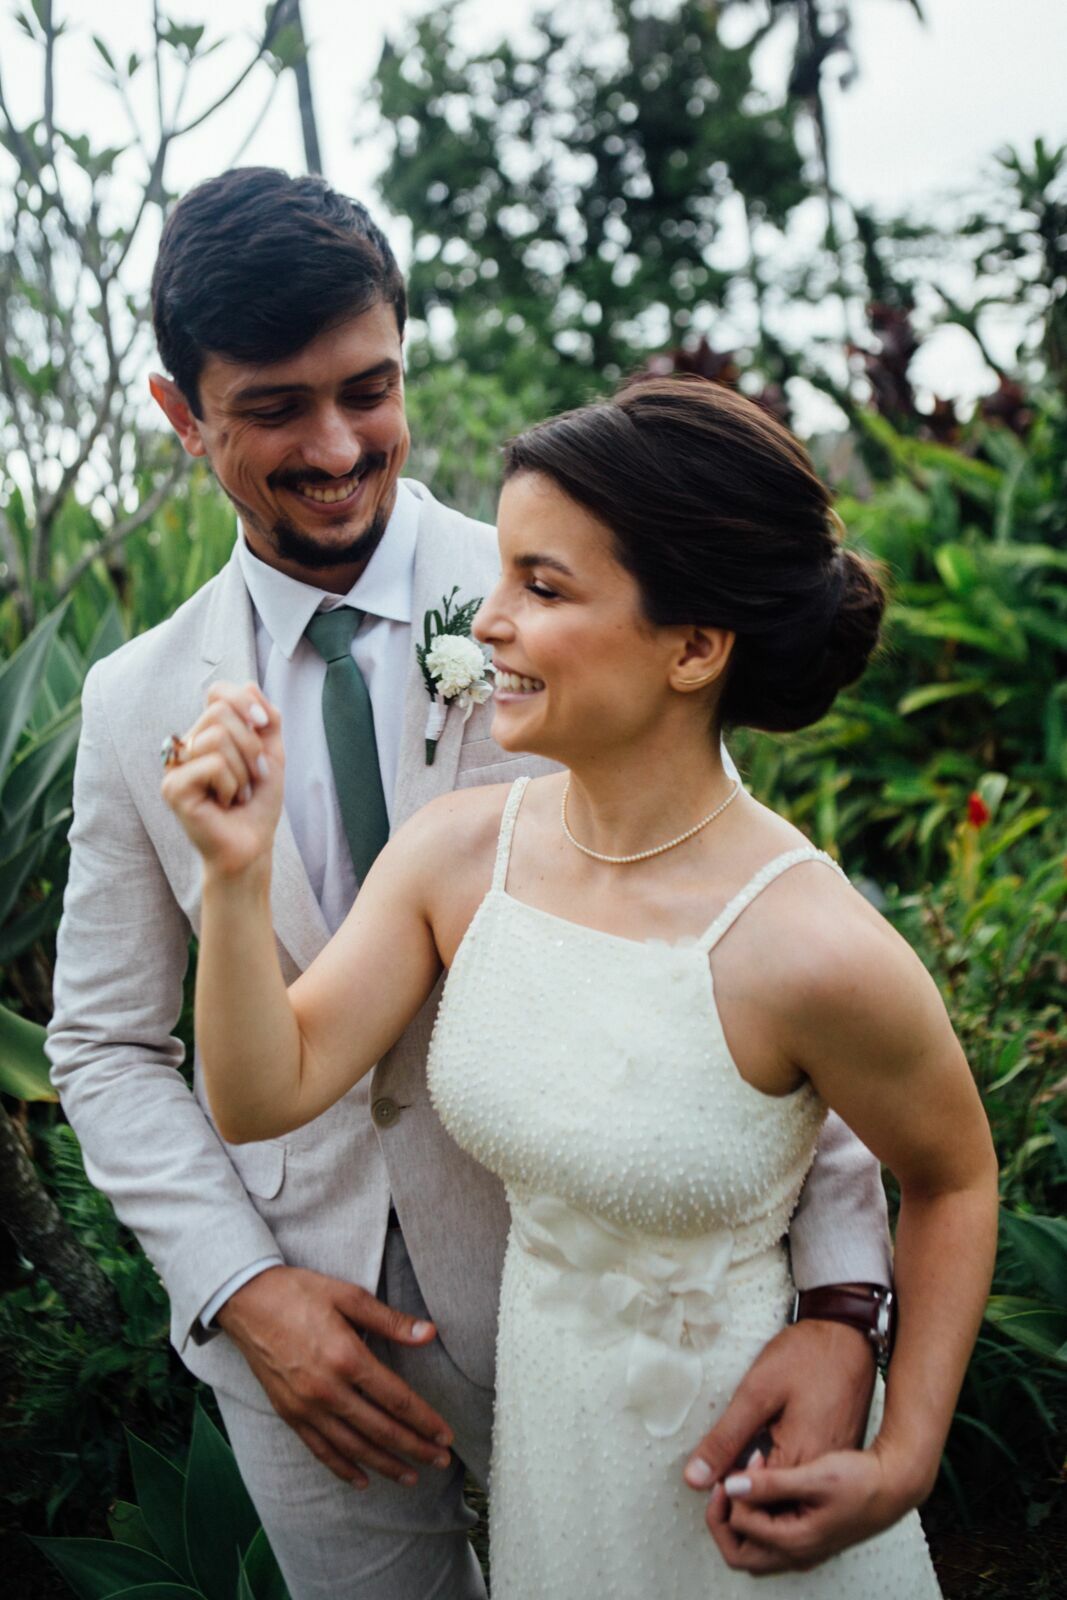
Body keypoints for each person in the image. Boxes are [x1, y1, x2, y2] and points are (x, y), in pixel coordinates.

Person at [50, 168, 898, 1600]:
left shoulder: (577, 594)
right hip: (316, 1348)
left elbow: (749, 943)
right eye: (272, 409)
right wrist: (242, 1293)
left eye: (368, 389)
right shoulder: (134, 705)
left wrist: (841, 1301)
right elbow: (104, 1042)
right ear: (181, 416)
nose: (336, 447)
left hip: (607, 1304)